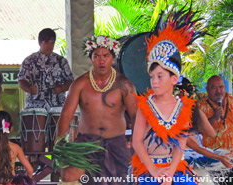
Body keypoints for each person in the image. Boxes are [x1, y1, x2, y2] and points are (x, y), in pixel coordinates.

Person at [131, 6, 207, 185]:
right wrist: (155, 170)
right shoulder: (145, 105)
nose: (154, 81)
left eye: (160, 76)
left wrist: (170, 172)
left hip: (175, 168)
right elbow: (137, 142)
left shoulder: (183, 106)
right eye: (152, 77)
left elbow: (180, 144)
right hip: (150, 168)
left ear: (174, 79)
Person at [55, 35, 137, 185]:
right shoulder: (80, 84)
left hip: (116, 143)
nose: (101, 60)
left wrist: (134, 140)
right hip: (87, 142)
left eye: (106, 55)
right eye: (97, 56)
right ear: (91, 58)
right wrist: (59, 141)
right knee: (68, 176)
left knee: (120, 180)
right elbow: (66, 115)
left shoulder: (124, 84)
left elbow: (136, 116)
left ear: (113, 58)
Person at [198, 75, 233, 185]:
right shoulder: (201, 106)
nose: (218, 90)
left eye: (221, 87)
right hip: (212, 160)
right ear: (207, 89)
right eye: (214, 87)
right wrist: (214, 117)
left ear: (225, 87)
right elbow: (199, 130)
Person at [18, 28, 74, 109]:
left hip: (57, 103)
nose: (49, 46)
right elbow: (21, 81)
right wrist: (29, 89)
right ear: (40, 42)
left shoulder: (61, 61)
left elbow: (71, 81)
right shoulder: (29, 61)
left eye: (52, 43)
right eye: (46, 42)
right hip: (34, 104)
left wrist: (62, 88)